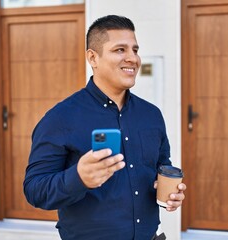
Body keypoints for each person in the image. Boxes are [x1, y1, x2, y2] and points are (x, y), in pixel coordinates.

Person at [23, 15, 186, 240]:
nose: (132, 58)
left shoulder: (151, 115)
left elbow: (161, 166)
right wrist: (78, 177)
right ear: (93, 58)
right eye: (120, 50)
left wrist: (168, 190)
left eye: (135, 50)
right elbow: (35, 190)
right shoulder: (60, 118)